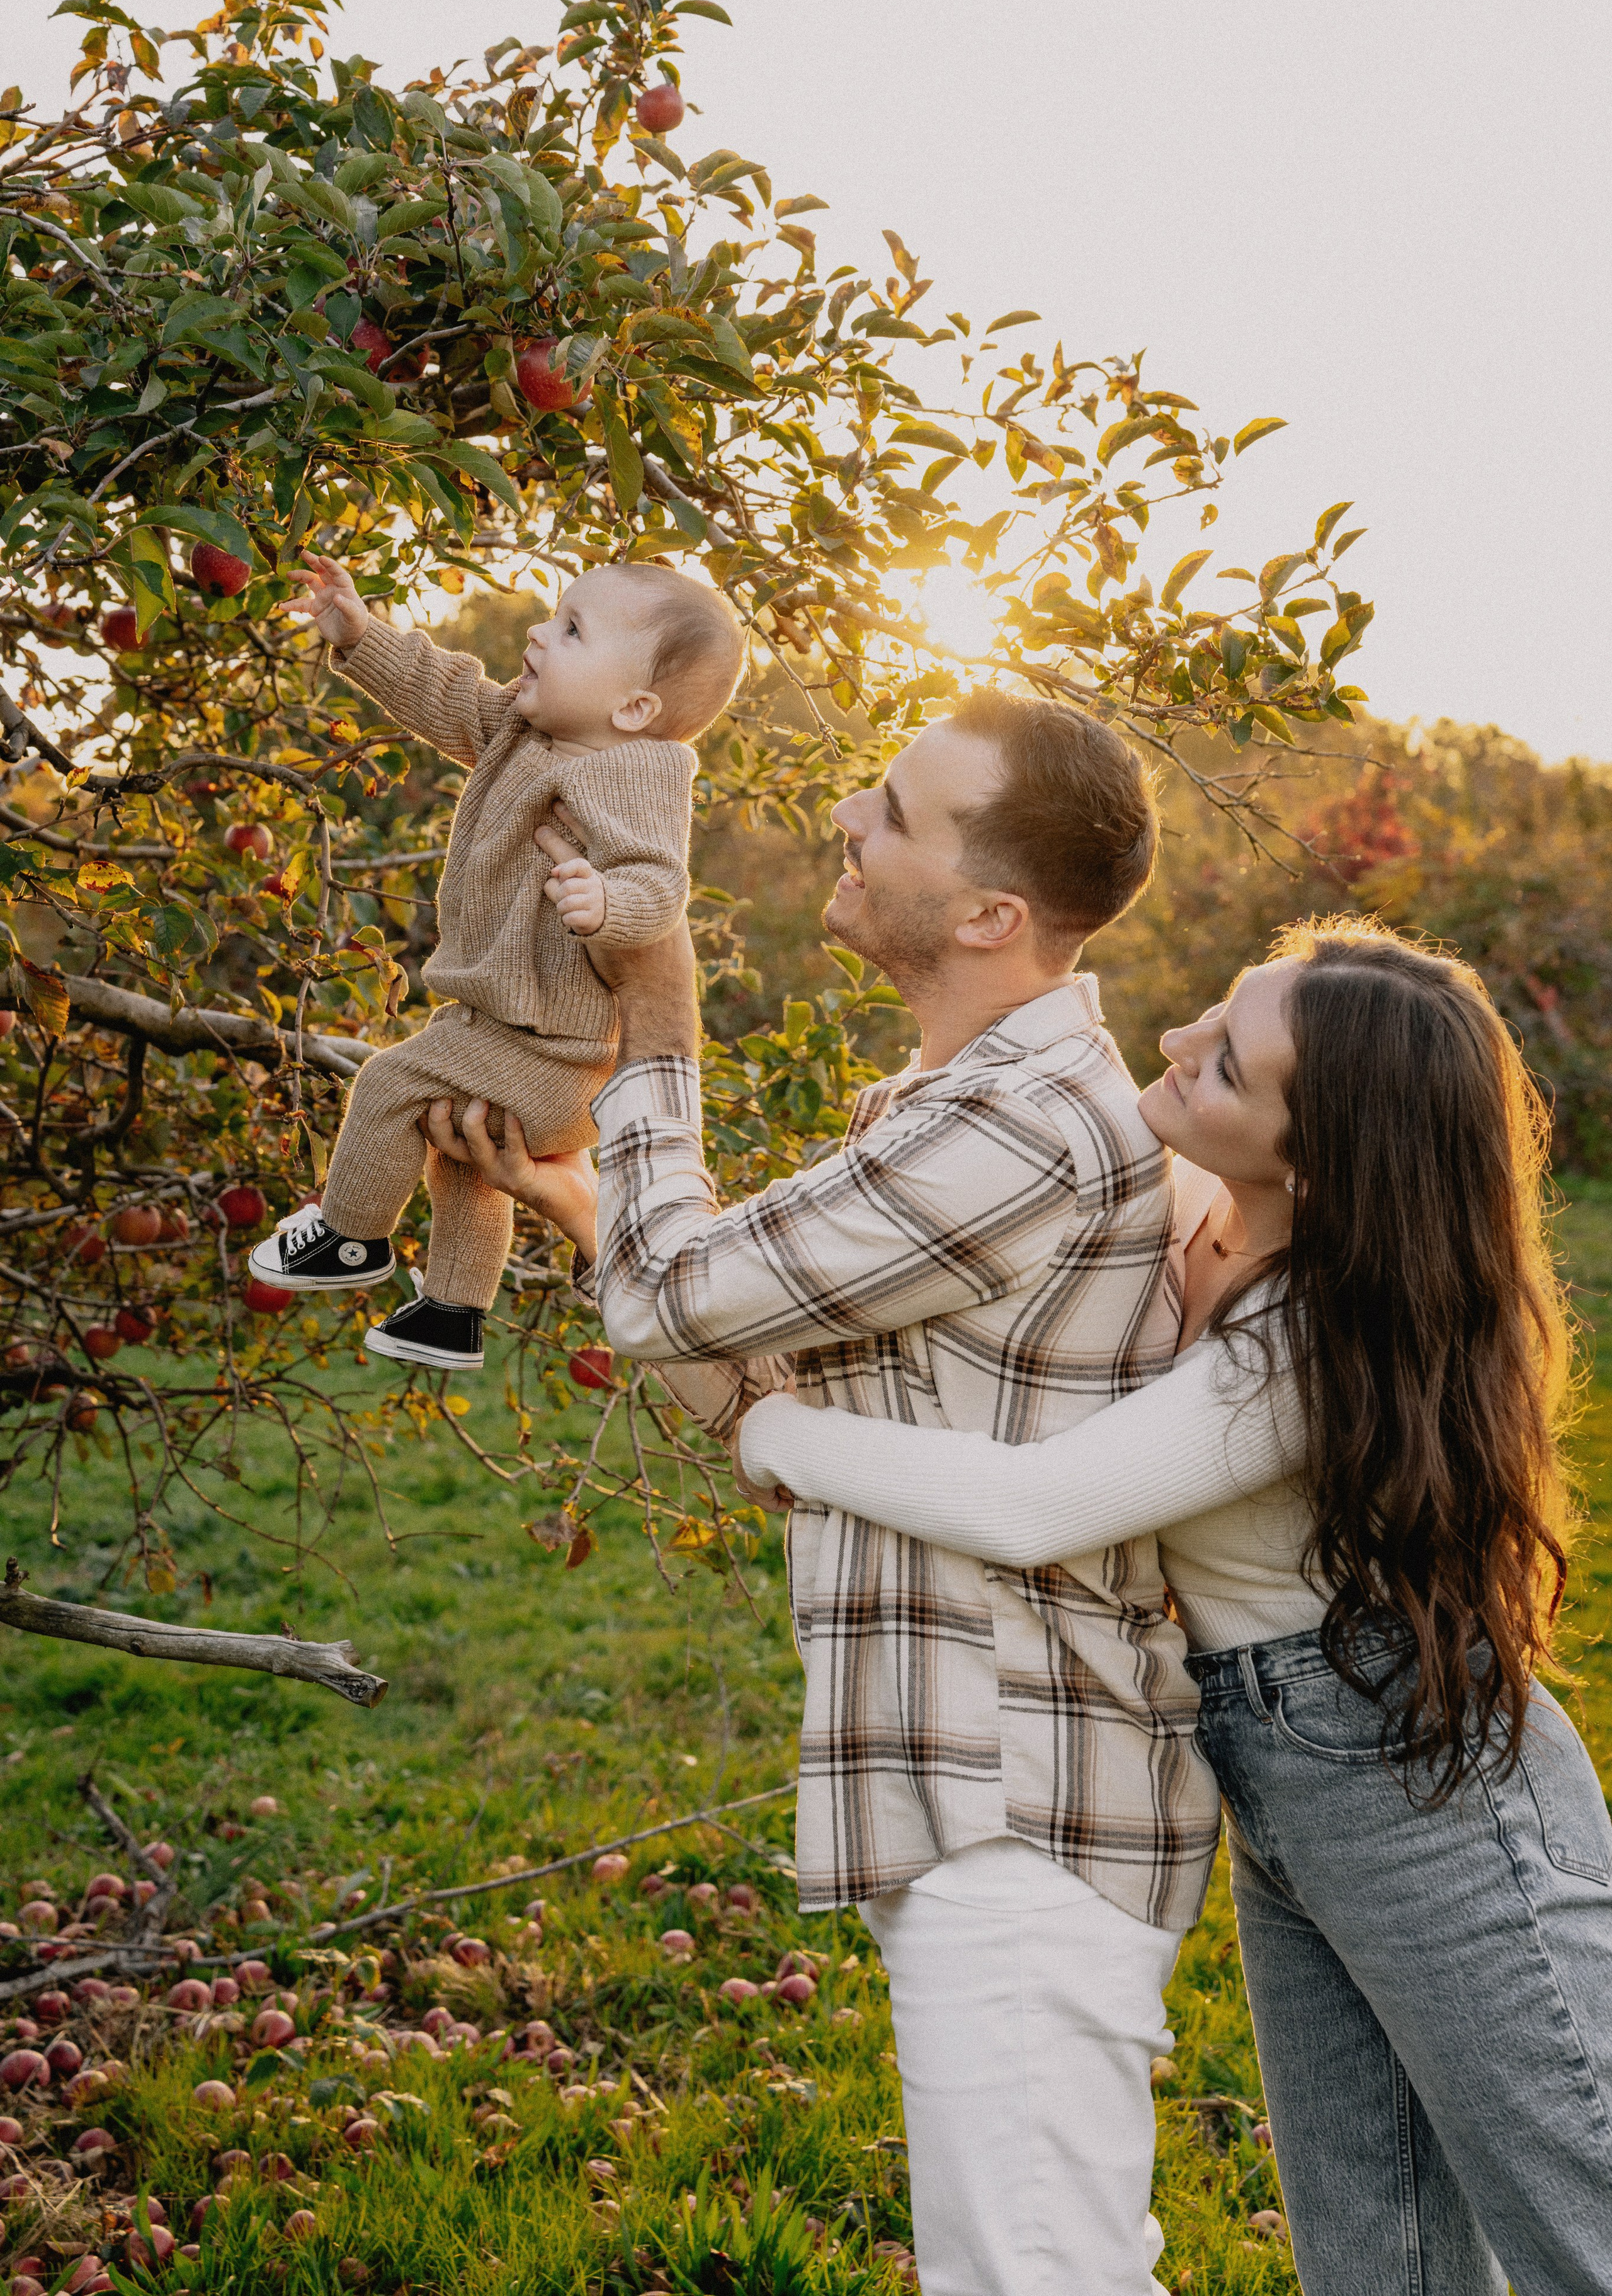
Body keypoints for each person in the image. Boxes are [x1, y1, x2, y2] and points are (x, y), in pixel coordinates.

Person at [424, 686, 1224, 2296]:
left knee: (1036, 2280)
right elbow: (782, 1420)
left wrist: (662, 1017)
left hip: (1019, 1800)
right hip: (981, 1793)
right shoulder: (951, 1112)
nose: (845, 822)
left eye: (895, 812)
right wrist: (594, 1209)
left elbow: (678, 1303)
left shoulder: (1014, 1128)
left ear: (992, 913)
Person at [730, 918, 1612, 2296]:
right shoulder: (1189, 1216)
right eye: (1213, 1008)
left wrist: (775, 1441)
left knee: (1580, 2219)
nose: (1171, 1042)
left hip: (1418, 1788)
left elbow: (1035, 1505)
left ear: (1315, 1162)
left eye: (1221, 1066)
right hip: (1279, 1781)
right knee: (1375, 2251)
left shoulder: (1306, 1341)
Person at [248, 554, 741, 1371]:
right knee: (462, 1157)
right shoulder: (521, 730)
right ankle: (450, 1314)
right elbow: (443, 695)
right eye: (556, 616)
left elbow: (659, 883)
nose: (541, 635)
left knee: (389, 1084)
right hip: (506, 1038)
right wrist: (362, 636)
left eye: (574, 631)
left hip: (556, 1055)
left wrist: (606, 903)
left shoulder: (634, 772)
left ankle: (350, 1237)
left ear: (636, 707)